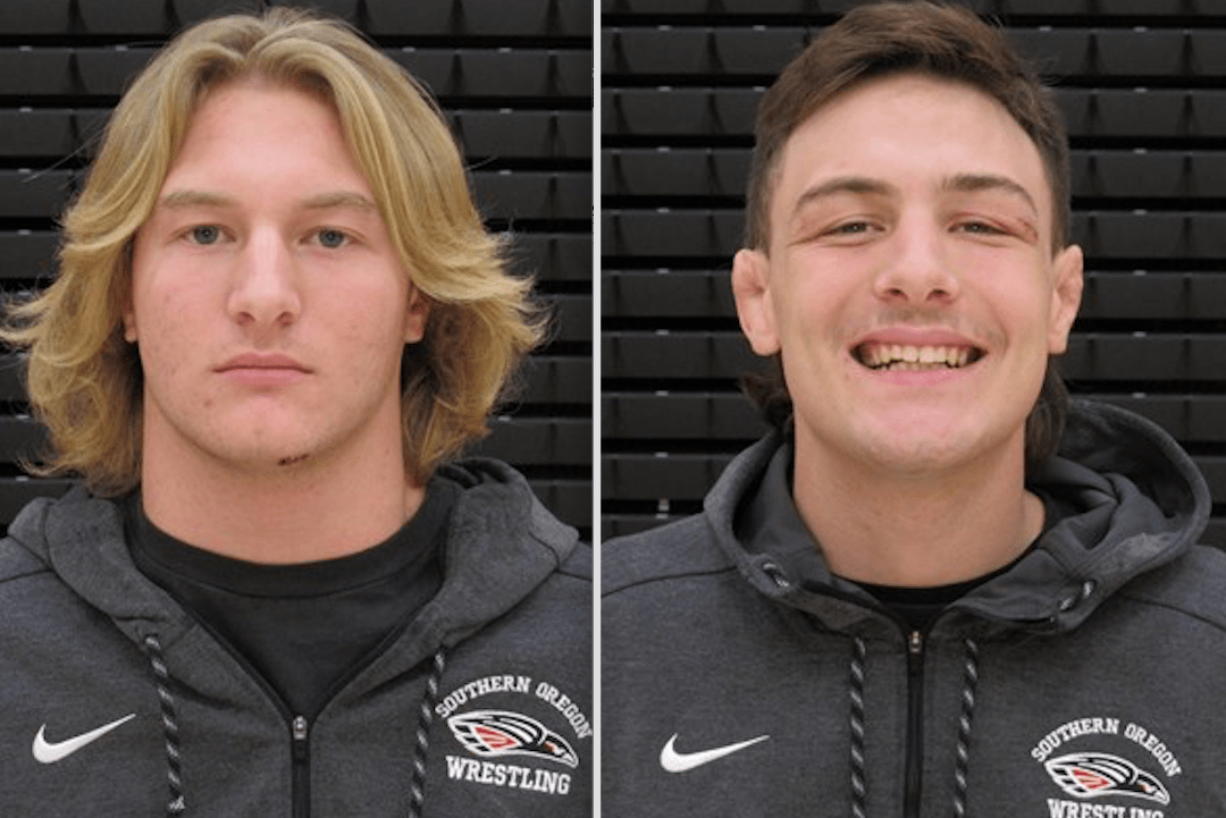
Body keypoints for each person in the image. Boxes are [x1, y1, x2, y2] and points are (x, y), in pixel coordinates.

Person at [602, 3, 1226, 816]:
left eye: (980, 223)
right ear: (759, 301)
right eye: (853, 223)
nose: (919, 271)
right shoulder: (600, 644)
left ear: (1060, 299)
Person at [0, 9, 591, 816]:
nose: (265, 297)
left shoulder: (615, 650)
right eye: (205, 232)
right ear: (124, 292)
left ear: (418, 295)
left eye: (331, 236)